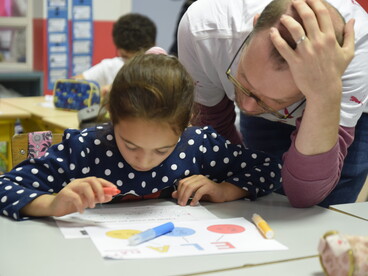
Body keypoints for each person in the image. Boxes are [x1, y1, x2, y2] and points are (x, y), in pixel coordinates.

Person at [0, 53, 282, 221]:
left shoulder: (198, 146)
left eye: (163, 150)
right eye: (130, 145)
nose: (144, 161)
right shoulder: (85, 149)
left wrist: (224, 190)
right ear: (112, 118)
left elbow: (270, 169)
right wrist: (51, 204)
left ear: (185, 126)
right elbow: (6, 187)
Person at [178, 0, 368, 208]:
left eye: (276, 101)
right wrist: (233, 183)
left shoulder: (356, 56)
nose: (248, 108)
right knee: (263, 201)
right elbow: (213, 133)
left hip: (346, 111)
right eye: (245, 81)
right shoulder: (203, 27)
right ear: (254, 26)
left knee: (322, 211)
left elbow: (305, 195)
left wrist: (324, 94)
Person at [74, 13, 157, 95]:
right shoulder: (110, 67)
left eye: (139, 59)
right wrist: (96, 93)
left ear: (154, 47)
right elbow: (70, 86)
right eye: (125, 57)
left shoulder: (164, 72)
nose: (132, 65)